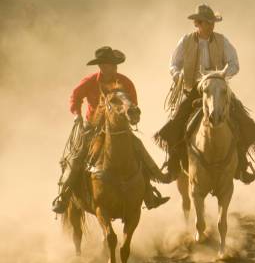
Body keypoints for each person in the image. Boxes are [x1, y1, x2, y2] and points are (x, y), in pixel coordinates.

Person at [52, 46, 169, 214]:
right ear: (101, 66)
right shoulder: (90, 81)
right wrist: (77, 114)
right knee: (77, 156)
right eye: (109, 64)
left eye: (114, 65)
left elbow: (133, 105)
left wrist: (133, 116)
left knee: (138, 149)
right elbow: (75, 97)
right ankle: (64, 195)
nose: (113, 68)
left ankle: (150, 193)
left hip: (119, 127)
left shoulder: (125, 82)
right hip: (92, 126)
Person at [156, 3, 255, 183]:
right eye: (206, 22)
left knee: (242, 119)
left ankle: (242, 165)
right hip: (193, 90)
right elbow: (173, 64)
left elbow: (234, 63)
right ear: (197, 23)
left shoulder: (222, 40)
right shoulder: (185, 41)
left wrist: (220, 76)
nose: (210, 26)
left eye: (212, 22)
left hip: (218, 88)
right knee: (176, 121)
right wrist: (178, 75)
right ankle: (173, 165)